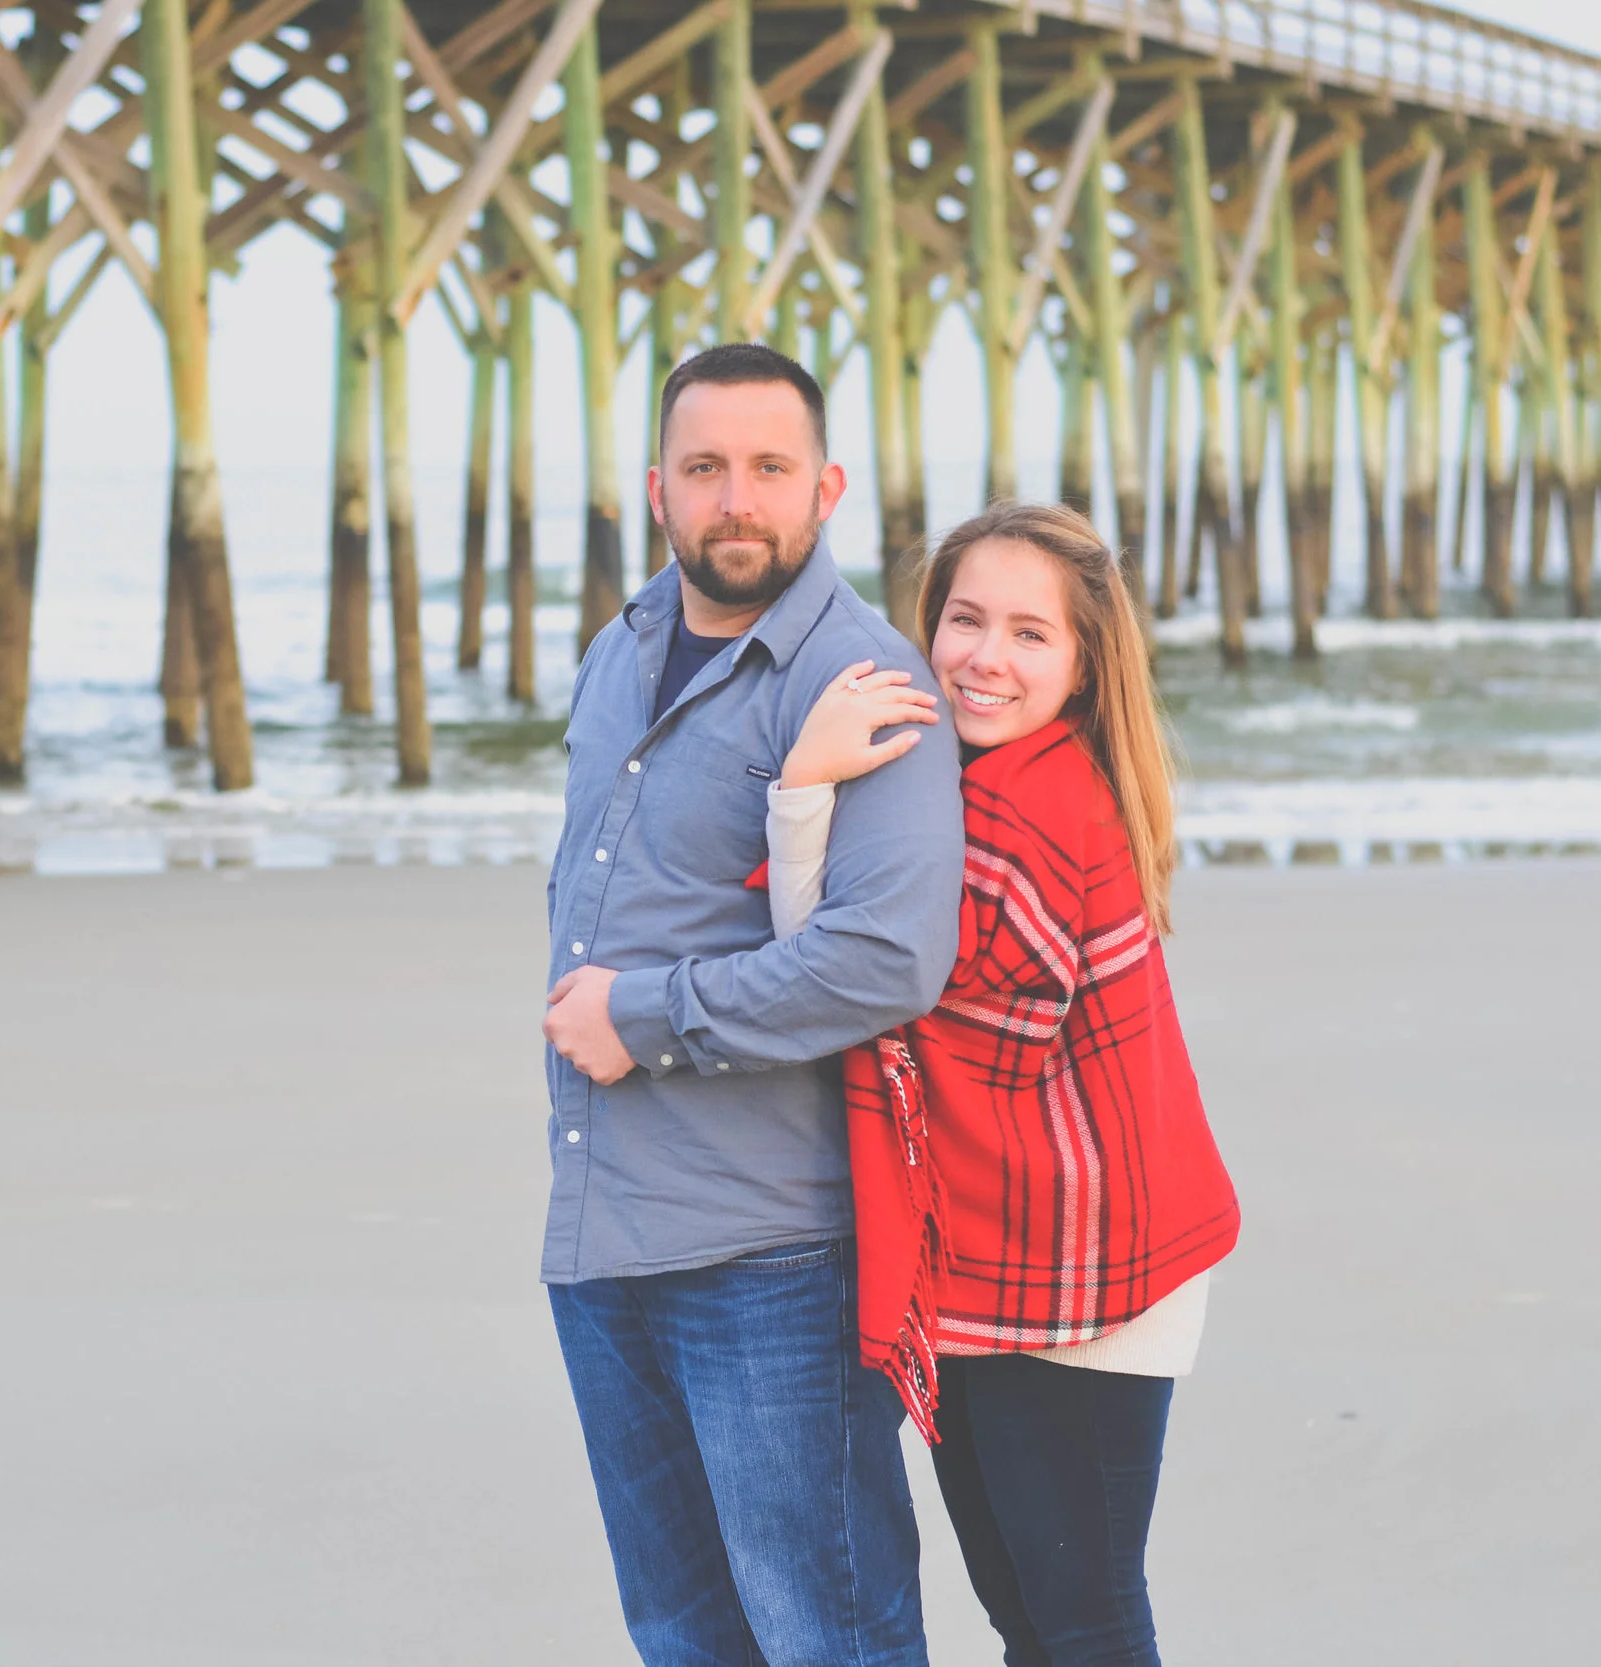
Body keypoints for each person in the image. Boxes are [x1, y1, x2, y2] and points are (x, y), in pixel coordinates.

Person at [538, 343, 962, 1664]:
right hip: (604, 1237)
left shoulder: (868, 683)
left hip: (773, 1260)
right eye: (706, 467)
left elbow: (885, 960)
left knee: (829, 1633)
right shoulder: (622, 648)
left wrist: (644, 1014)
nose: (738, 498)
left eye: (769, 468)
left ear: (824, 486)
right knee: (681, 1632)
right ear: (655, 487)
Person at [760, 501, 1241, 1667]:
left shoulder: (1025, 811)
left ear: (1080, 668)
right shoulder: (966, 787)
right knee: (1033, 1617)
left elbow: (845, 980)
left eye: (1030, 634)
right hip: (998, 1252)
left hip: (1086, 1274)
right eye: (964, 618)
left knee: (1080, 1619)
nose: (985, 655)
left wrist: (801, 787)